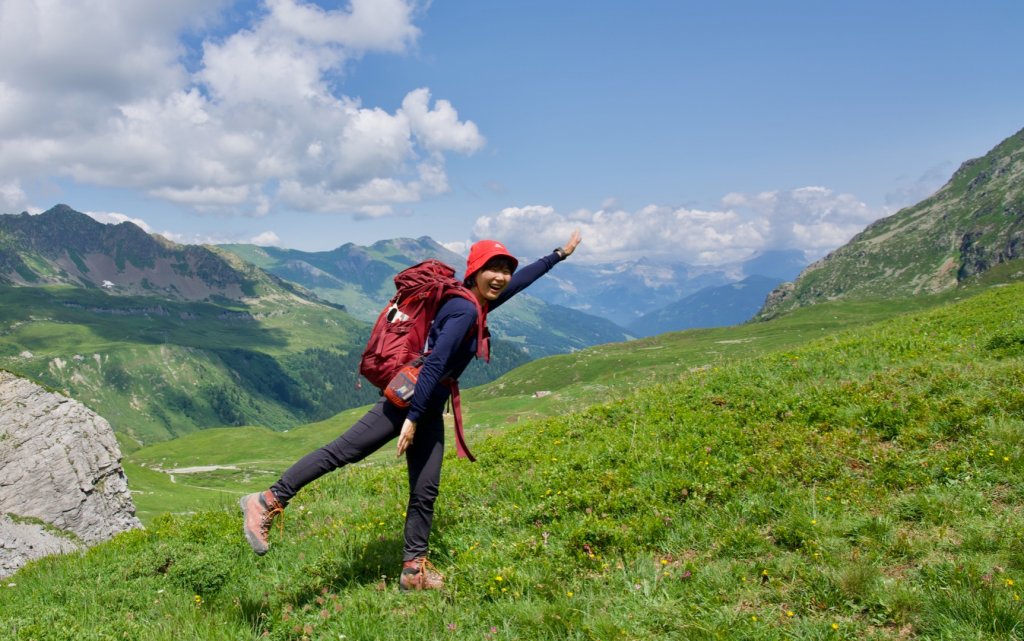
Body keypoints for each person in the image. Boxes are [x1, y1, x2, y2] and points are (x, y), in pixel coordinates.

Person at [240, 231, 582, 591]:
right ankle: (267, 500)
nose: (501, 277)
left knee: (425, 488)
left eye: (505, 270)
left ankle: (413, 570)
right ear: (475, 271)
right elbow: (434, 364)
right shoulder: (466, 309)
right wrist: (413, 419)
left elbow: (520, 283)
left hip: (427, 407)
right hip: (407, 404)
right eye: (492, 269)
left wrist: (558, 255)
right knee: (342, 452)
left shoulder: (475, 303)